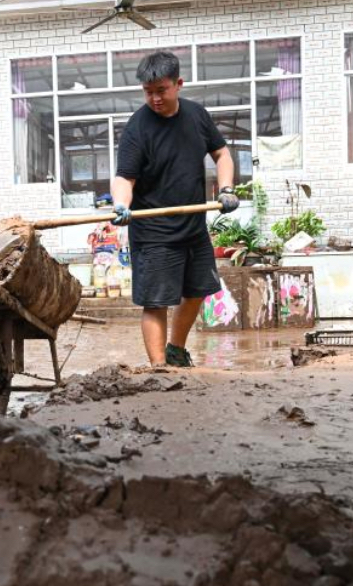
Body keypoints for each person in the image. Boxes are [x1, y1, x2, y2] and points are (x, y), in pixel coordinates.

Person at [111, 50, 238, 367]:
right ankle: (160, 369)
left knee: (198, 291)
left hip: (194, 228)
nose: (154, 98)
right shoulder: (137, 128)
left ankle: (175, 350)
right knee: (156, 302)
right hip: (154, 233)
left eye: (161, 90)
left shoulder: (196, 115)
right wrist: (121, 204)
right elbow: (124, 177)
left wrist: (226, 189)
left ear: (178, 84)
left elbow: (222, 155)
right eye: (148, 91)